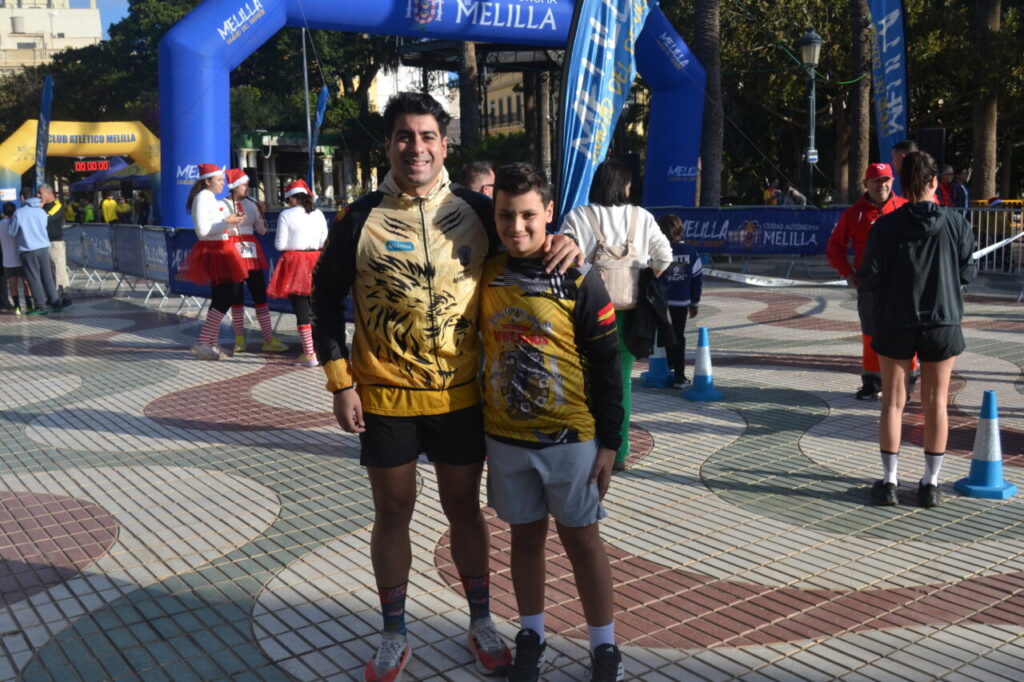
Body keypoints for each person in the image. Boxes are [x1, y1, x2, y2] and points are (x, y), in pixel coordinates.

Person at [311, 92, 580, 682]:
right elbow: (323, 298)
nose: (417, 147)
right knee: (393, 511)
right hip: (384, 396)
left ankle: (480, 619)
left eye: (428, 136)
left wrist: (566, 242)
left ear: (444, 144)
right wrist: (340, 382)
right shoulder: (358, 218)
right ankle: (392, 630)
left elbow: (525, 238)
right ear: (388, 145)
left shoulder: (476, 211)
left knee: (464, 509)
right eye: (405, 136)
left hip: (462, 395)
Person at [481, 163, 624, 682]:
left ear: (548, 215)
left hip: (572, 441)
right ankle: (532, 635)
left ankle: (604, 647)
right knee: (524, 541)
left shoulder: (579, 276)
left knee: (584, 541)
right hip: (505, 440)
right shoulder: (485, 272)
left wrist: (611, 442)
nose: (515, 228)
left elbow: (609, 364)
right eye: (504, 216)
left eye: (528, 217)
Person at [858, 150, 976, 508]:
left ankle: (890, 481)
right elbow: (968, 273)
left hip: (895, 320)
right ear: (933, 183)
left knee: (893, 403)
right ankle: (931, 484)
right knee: (936, 403)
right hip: (942, 321)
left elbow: (870, 276)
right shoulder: (957, 223)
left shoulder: (885, 225)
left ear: (903, 183)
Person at [559, 158, 672, 471]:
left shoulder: (579, 216)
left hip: (588, 311)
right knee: (620, 382)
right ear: (624, 185)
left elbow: (563, 259)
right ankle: (618, 453)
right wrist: (644, 278)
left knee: (584, 379)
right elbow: (665, 256)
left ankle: (584, 448)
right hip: (630, 314)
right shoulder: (642, 216)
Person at [826, 163, 908, 400]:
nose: (881, 185)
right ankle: (873, 381)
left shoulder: (905, 208)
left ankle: (907, 380)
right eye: (876, 181)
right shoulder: (853, 214)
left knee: (905, 332)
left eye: (885, 180)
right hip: (870, 286)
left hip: (902, 285)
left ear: (892, 183)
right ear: (866, 184)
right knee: (871, 333)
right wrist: (849, 274)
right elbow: (834, 249)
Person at [180, 164, 247, 360]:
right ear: (207, 181)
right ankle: (204, 341)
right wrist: (228, 223)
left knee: (223, 296)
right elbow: (203, 231)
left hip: (221, 247)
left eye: (223, 180)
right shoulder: (202, 198)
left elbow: (215, 226)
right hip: (215, 250)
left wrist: (230, 224)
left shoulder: (209, 198)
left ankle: (209, 342)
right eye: (219, 180)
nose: (223, 183)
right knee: (226, 296)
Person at [222, 168, 288, 355]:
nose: (247, 188)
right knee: (236, 296)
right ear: (234, 186)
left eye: (247, 184)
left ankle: (268, 338)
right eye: (244, 185)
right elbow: (219, 228)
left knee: (259, 293)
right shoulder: (222, 204)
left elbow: (262, 231)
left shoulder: (252, 204)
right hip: (231, 251)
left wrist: (261, 214)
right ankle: (239, 339)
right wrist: (230, 223)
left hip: (251, 251)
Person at [267, 178, 328, 366]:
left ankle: (309, 354)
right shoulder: (318, 213)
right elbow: (323, 239)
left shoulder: (286, 214)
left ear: (292, 199)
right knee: (317, 307)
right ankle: (321, 349)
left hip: (296, 263)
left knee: (301, 308)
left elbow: (279, 245)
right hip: (318, 260)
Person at [655, 214, 703, 388]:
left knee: (663, 335)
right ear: (681, 230)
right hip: (681, 302)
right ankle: (679, 376)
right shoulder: (691, 252)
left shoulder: (657, 251)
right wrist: (694, 303)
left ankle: (664, 369)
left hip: (660, 302)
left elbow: (650, 276)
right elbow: (697, 280)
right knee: (678, 337)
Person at [9, 188, 61, 315]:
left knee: (34, 278)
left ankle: (41, 306)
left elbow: (12, 232)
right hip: (43, 248)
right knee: (47, 277)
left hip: (28, 249)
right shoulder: (41, 211)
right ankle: (55, 303)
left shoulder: (19, 213)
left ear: (22, 198)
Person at [38, 184, 71, 307]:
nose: (38, 196)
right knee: (48, 271)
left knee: (59, 269)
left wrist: (39, 209)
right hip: (44, 242)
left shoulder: (57, 205)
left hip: (55, 242)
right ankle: (52, 295)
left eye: (40, 193)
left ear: (48, 193)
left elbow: (46, 218)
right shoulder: (44, 206)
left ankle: (65, 297)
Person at [0, 202, 32, 314]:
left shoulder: (0, 224)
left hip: (7, 259)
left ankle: (17, 307)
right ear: (15, 211)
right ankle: (29, 305)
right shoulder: (17, 222)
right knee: (26, 282)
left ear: (3, 212)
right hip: (21, 257)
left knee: (12, 283)